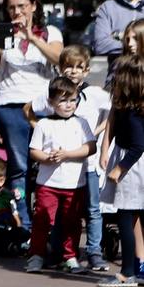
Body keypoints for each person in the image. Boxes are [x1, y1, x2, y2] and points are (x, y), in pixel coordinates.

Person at [0, 0, 64, 209]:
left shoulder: (50, 33)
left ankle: (44, 219)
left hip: (43, 108)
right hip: (9, 106)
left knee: (46, 163)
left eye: (22, 6)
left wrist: (32, 38)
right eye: (11, 8)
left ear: (34, 6)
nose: (17, 12)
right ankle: (23, 223)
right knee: (18, 166)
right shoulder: (3, 32)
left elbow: (60, 59)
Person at [38, 45, 112, 272]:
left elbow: (113, 111)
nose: (72, 71)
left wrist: (98, 134)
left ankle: (94, 252)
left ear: (87, 71)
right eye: (68, 66)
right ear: (60, 68)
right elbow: (29, 109)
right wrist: (42, 130)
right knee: (64, 211)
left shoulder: (95, 94)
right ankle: (61, 251)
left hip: (88, 163)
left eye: (78, 67)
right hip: (62, 168)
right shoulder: (54, 92)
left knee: (92, 209)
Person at [26, 77, 96, 272]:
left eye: (73, 100)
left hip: (75, 184)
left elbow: (91, 147)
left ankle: (70, 257)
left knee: (72, 222)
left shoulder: (81, 123)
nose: (69, 105)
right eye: (63, 100)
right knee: (42, 219)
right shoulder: (44, 124)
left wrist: (68, 154)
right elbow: (34, 150)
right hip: (47, 183)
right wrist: (47, 158)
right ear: (51, 102)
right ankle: (36, 254)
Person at [99, 25, 144, 287]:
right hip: (129, 158)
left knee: (125, 215)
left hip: (131, 163)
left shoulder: (134, 112)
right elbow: (113, 119)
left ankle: (128, 272)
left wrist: (120, 167)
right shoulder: (129, 107)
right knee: (133, 214)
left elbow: (139, 145)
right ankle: (136, 267)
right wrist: (106, 147)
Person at [85, 0, 144, 78]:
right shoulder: (108, 8)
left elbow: (108, 43)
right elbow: (100, 45)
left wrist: (118, 36)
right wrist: (139, 43)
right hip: (116, 82)